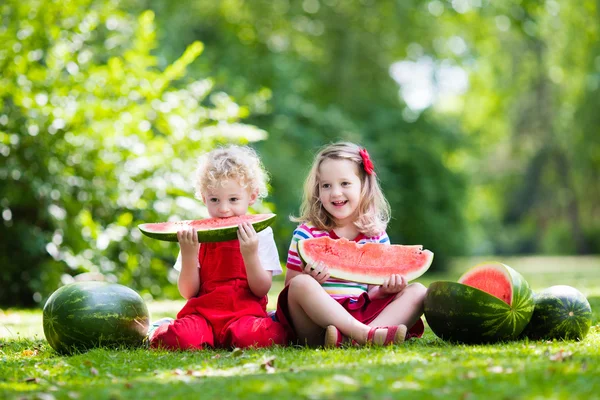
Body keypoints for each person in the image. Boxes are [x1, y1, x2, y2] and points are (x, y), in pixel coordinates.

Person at [275, 142, 427, 347]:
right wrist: (310, 278)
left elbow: (373, 291)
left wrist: (385, 291)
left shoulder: (376, 236)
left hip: (362, 314)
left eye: (345, 183)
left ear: (364, 185)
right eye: (326, 185)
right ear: (317, 190)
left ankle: (359, 337)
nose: (335, 193)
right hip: (315, 326)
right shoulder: (306, 234)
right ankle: (366, 336)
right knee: (301, 284)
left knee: (418, 291)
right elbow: (289, 289)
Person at [148, 145, 288, 350]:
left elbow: (261, 289)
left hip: (244, 316)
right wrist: (188, 255)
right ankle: (159, 328)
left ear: (252, 196)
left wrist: (249, 254)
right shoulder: (196, 234)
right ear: (204, 198)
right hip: (202, 316)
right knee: (179, 338)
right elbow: (188, 292)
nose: (223, 209)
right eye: (214, 199)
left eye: (233, 199)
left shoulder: (261, 233)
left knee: (261, 337)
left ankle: (263, 322)